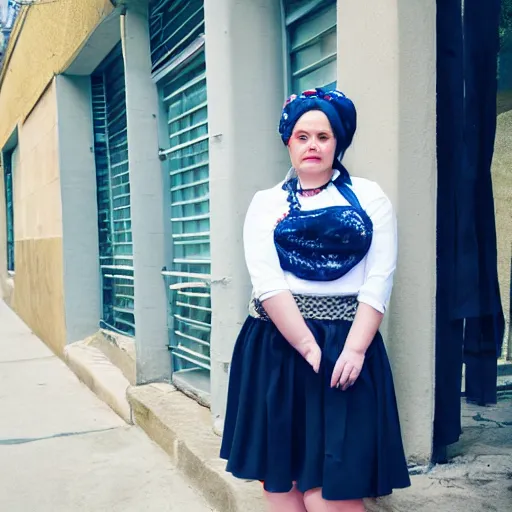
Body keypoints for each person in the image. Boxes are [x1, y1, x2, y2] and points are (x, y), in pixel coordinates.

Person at [220, 88, 411, 511]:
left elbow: (379, 280)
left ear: (338, 142)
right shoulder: (265, 204)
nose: (312, 146)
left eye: (323, 137)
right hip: (276, 346)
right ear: (288, 141)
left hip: (347, 350)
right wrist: (307, 345)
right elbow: (267, 282)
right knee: (280, 480)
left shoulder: (371, 197)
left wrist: (356, 348)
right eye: (302, 136)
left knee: (332, 494)